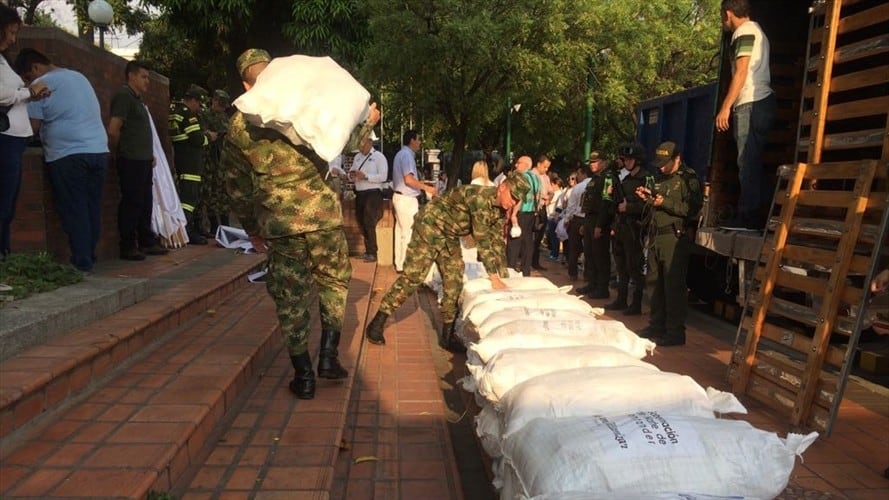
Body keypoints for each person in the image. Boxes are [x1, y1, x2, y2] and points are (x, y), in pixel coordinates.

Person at [222, 48, 379, 399]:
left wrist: (251, 228)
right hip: (322, 215)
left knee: (290, 296)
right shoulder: (304, 103)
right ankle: (328, 355)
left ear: (246, 83)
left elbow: (236, 184)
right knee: (334, 282)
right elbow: (345, 141)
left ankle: (304, 375)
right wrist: (369, 121)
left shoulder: (238, 124)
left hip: (279, 223)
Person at [364, 171, 531, 351]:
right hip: (429, 227)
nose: (513, 203)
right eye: (513, 196)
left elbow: (496, 241)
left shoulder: (500, 211)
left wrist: (503, 277)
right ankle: (377, 323)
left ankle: (447, 335)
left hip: (449, 234)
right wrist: (494, 277)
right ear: (502, 187)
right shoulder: (480, 199)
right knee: (413, 277)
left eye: (517, 200)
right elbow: (483, 241)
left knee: (454, 280)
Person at [15, 48, 109, 273]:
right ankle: (91, 255)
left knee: (74, 207)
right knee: (91, 206)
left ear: (35, 69)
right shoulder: (79, 77)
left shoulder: (42, 84)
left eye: (28, 78)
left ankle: (82, 262)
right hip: (98, 150)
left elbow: (33, 127)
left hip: (68, 154)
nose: (30, 84)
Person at [635, 141, 703, 346]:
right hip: (656, 236)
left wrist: (664, 202)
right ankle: (656, 324)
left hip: (674, 237)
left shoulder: (687, 179)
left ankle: (675, 331)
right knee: (654, 283)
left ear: (677, 159)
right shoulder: (658, 178)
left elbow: (692, 210)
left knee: (673, 286)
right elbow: (657, 203)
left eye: (666, 163)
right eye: (659, 163)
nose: (661, 167)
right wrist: (648, 198)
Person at [716, 0, 774, 229]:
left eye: (723, 16)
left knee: (747, 162)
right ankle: (764, 211)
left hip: (751, 102)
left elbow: (741, 72)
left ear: (728, 13)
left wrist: (725, 107)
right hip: (761, 102)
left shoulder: (744, 32)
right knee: (753, 161)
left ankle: (749, 217)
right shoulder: (758, 31)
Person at [0, 5, 50, 260]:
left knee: (9, 203)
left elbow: (13, 96)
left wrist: (31, 96)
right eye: (10, 32)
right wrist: (29, 92)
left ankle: (5, 256)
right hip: (5, 139)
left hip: (15, 140)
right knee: (3, 202)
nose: (13, 38)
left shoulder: (5, 61)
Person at [108, 60, 169, 261]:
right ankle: (128, 244)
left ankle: (147, 241)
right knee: (132, 202)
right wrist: (118, 151)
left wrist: (148, 153)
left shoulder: (138, 100)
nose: (147, 82)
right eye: (143, 77)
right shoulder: (124, 96)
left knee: (145, 202)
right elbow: (114, 129)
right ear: (131, 76)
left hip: (143, 159)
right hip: (130, 159)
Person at [606, 143, 653, 315]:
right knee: (621, 265)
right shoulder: (624, 179)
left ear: (638, 160)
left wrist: (630, 207)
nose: (626, 162)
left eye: (630, 159)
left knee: (634, 267)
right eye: (625, 159)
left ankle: (636, 303)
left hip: (635, 228)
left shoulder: (646, 178)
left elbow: (649, 204)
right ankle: (621, 299)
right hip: (621, 227)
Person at [169, 84, 210, 244]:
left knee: (187, 197)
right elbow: (196, 139)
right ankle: (186, 231)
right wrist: (208, 138)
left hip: (181, 159)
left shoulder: (175, 113)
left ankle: (187, 229)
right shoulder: (187, 115)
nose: (199, 107)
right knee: (189, 199)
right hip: (190, 162)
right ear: (192, 101)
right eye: (199, 103)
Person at [391, 129, 436, 272]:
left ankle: (399, 263)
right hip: (407, 199)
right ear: (412, 140)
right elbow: (409, 180)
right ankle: (406, 265)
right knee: (408, 233)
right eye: (419, 139)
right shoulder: (407, 155)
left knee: (400, 232)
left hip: (399, 196)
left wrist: (421, 184)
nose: (420, 142)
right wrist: (426, 188)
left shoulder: (401, 154)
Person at [577, 151, 617, 299]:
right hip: (589, 219)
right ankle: (592, 283)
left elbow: (606, 204)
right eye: (591, 162)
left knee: (600, 256)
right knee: (590, 254)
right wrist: (584, 222)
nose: (592, 164)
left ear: (604, 162)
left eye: (596, 161)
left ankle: (602, 288)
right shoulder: (594, 179)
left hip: (600, 220)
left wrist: (600, 225)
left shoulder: (608, 179)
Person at [350, 132, 388, 262]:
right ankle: (367, 250)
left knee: (369, 221)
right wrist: (352, 176)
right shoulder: (357, 157)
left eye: (363, 143)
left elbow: (383, 176)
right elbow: (353, 172)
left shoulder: (379, 157)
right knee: (361, 221)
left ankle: (373, 251)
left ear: (370, 142)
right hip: (360, 192)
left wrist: (366, 176)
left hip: (373, 193)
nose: (361, 147)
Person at [201, 89, 233, 237]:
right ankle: (214, 226)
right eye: (219, 104)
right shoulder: (204, 115)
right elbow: (202, 133)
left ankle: (226, 226)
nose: (221, 108)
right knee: (210, 193)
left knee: (223, 193)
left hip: (223, 159)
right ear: (213, 101)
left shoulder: (226, 118)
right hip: (209, 159)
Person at [506, 155, 538, 277]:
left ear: (525, 164)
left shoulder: (520, 177)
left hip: (520, 213)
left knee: (514, 242)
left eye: (518, 163)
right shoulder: (535, 178)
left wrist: (513, 214)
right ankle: (526, 270)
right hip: (531, 213)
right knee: (527, 243)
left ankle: (511, 269)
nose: (516, 165)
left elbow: (519, 197)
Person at [563, 167, 590, 280]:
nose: (577, 177)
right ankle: (588, 275)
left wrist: (567, 220)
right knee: (589, 249)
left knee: (574, 249)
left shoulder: (578, 187)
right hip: (589, 219)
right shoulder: (594, 184)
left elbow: (571, 206)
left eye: (578, 174)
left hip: (578, 219)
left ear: (583, 173)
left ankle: (573, 273)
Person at [530, 154, 553, 271]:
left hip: (543, 209)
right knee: (531, 237)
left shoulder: (545, 177)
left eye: (548, 167)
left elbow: (550, 191)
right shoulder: (531, 175)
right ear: (538, 164)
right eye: (545, 167)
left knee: (539, 237)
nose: (546, 169)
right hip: (533, 209)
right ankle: (527, 261)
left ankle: (535, 261)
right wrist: (542, 197)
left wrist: (548, 198)